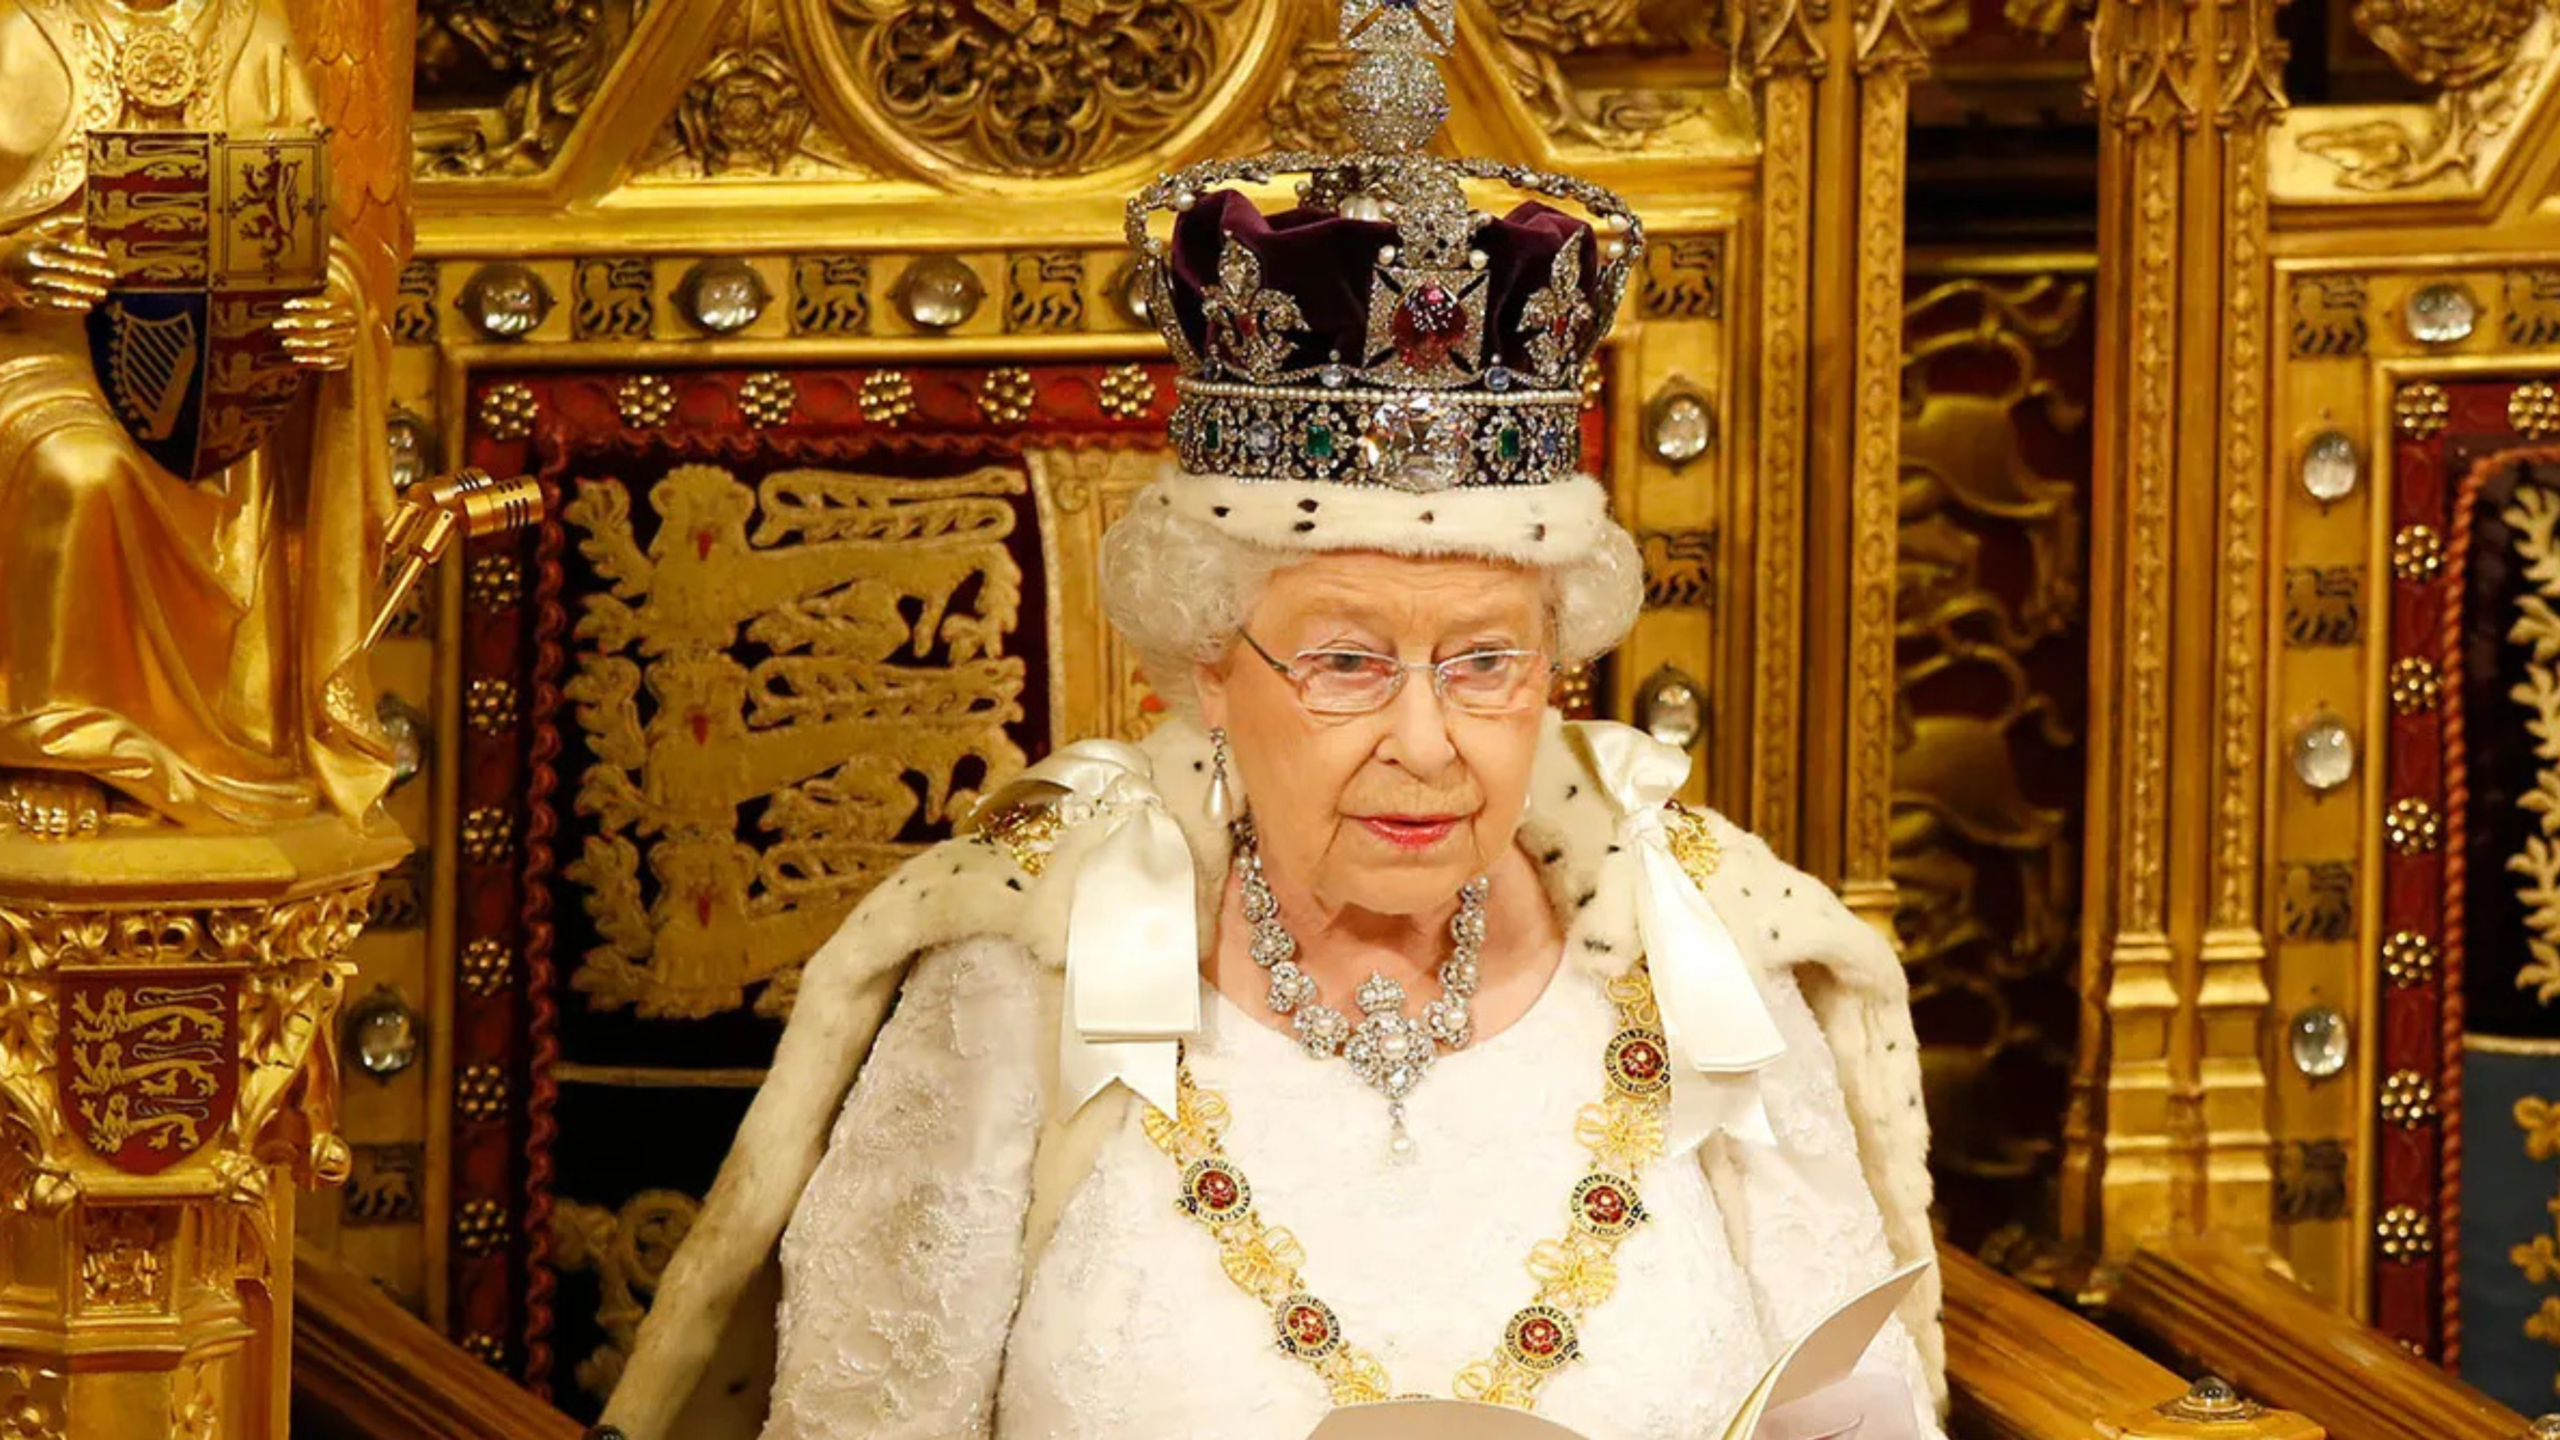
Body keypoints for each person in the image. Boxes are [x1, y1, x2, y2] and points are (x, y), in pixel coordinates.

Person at [599, 6, 1941, 1438]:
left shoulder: (1708, 963)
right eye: (1350, 663)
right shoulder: (1023, 979)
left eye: (1487, 663)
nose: (1429, 744)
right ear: (1202, 675)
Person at [0, 0, 395, 839]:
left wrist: (333, 303)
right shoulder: (21, 23)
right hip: (38, 355)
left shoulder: (250, 25)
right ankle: (62, 744)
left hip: (215, 374)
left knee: (226, 471)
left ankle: (231, 739)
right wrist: (10, 267)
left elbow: (306, 224)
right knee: (81, 471)